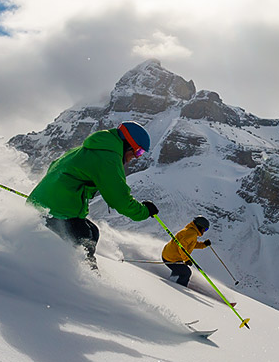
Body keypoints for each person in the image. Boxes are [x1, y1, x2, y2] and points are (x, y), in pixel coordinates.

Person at [27, 121, 158, 267]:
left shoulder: (95, 146)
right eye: (138, 151)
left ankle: (75, 269)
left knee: (93, 232)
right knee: (84, 239)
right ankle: (78, 279)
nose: (136, 157)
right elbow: (119, 199)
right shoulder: (108, 157)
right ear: (128, 144)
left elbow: (54, 165)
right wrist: (144, 211)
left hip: (44, 201)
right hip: (57, 209)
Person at [162, 215, 211, 287]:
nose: (204, 231)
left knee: (180, 270)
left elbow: (190, 244)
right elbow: (182, 246)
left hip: (169, 255)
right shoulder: (192, 233)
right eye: (205, 229)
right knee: (186, 273)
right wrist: (186, 259)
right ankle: (179, 289)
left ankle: (172, 281)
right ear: (199, 226)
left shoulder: (191, 231)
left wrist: (203, 245)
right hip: (171, 258)